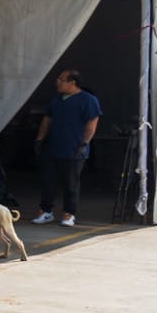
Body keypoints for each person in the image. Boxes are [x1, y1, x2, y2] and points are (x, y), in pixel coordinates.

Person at [33, 69, 101, 227]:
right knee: (47, 180)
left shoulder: (88, 100)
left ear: (72, 83)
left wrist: (85, 143)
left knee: (70, 183)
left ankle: (69, 213)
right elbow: (47, 119)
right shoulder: (57, 99)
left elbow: (92, 123)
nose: (57, 82)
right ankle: (46, 211)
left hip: (74, 149)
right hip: (53, 147)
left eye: (61, 79)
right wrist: (39, 138)